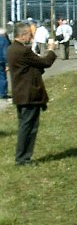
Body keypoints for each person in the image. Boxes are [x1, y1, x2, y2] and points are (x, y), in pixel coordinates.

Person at [7, 21, 58, 165]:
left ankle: (22, 156)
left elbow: (31, 67)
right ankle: (23, 158)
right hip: (29, 93)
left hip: (20, 93)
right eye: (30, 34)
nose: (32, 37)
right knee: (29, 127)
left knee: (24, 125)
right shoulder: (24, 51)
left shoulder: (11, 49)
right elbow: (45, 62)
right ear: (23, 35)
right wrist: (51, 50)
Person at [0, 27, 10, 99]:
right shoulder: (5, 41)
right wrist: (7, 64)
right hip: (1, 61)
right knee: (2, 77)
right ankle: (3, 93)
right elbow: (5, 53)